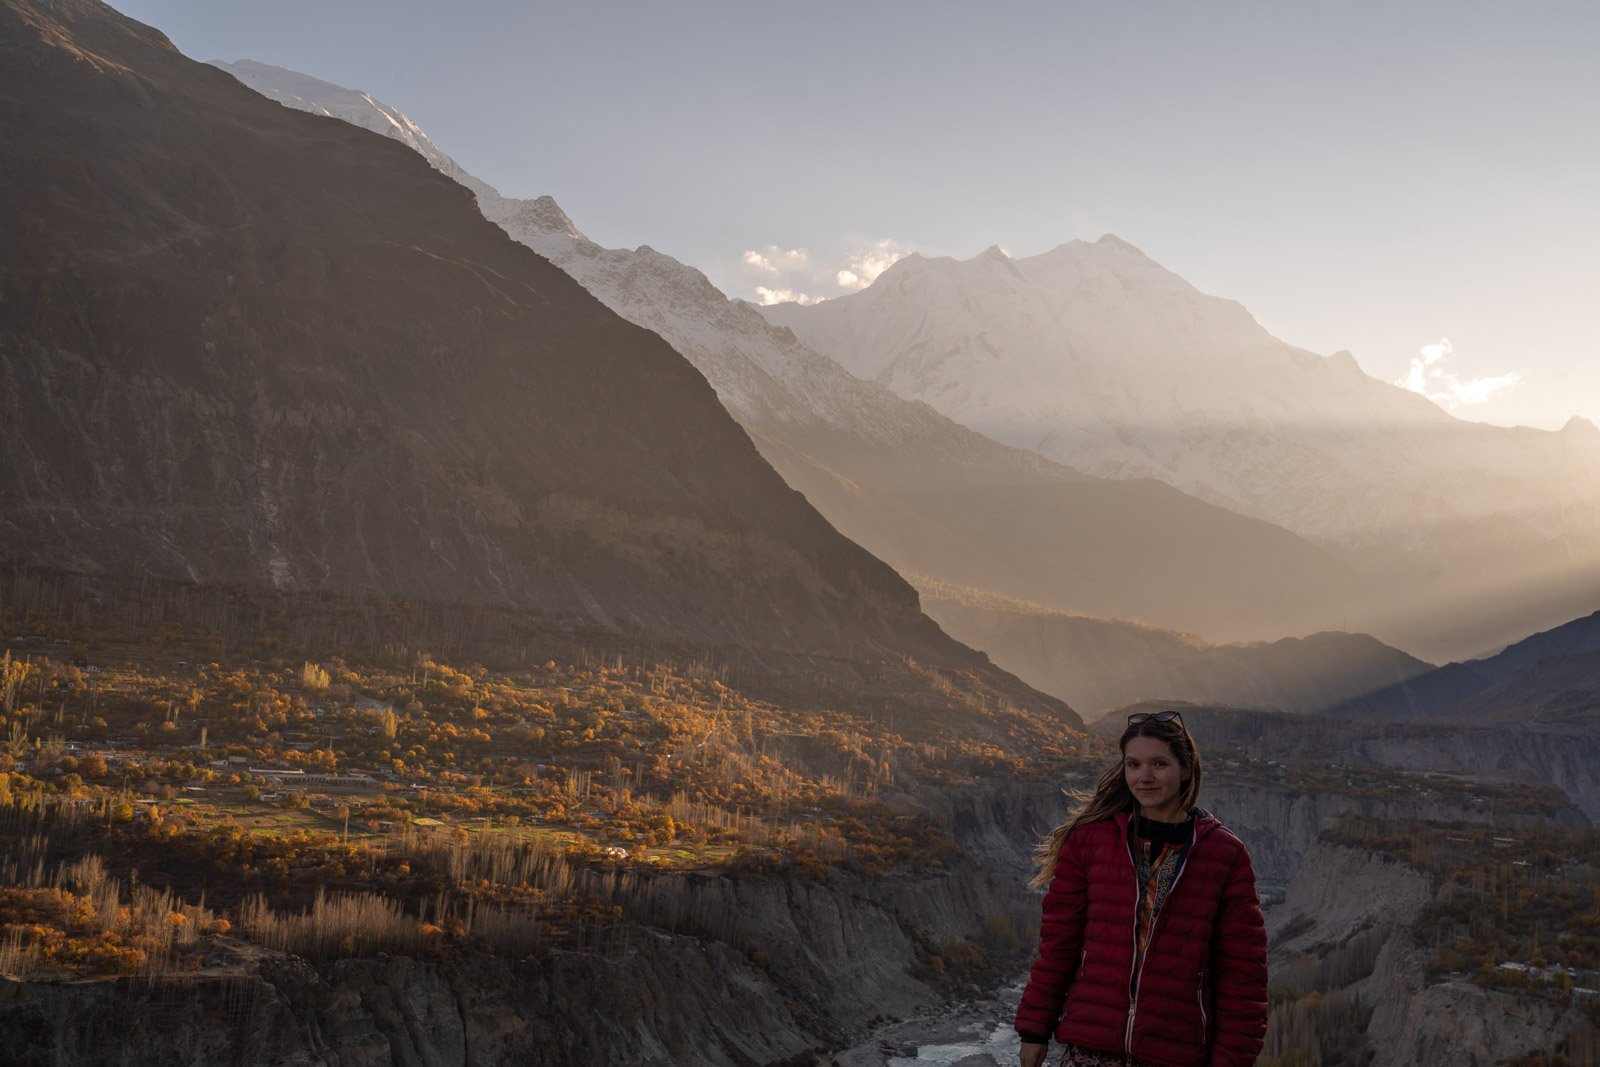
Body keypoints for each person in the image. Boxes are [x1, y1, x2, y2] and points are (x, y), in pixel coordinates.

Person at [1014, 709, 1267, 1067]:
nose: (1144, 777)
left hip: (1174, 1055)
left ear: (1186, 769)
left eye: (1159, 764)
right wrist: (1034, 1029)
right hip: (1090, 1052)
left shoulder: (1224, 854)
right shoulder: (1090, 842)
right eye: (1133, 764)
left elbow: (1243, 976)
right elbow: (1059, 945)